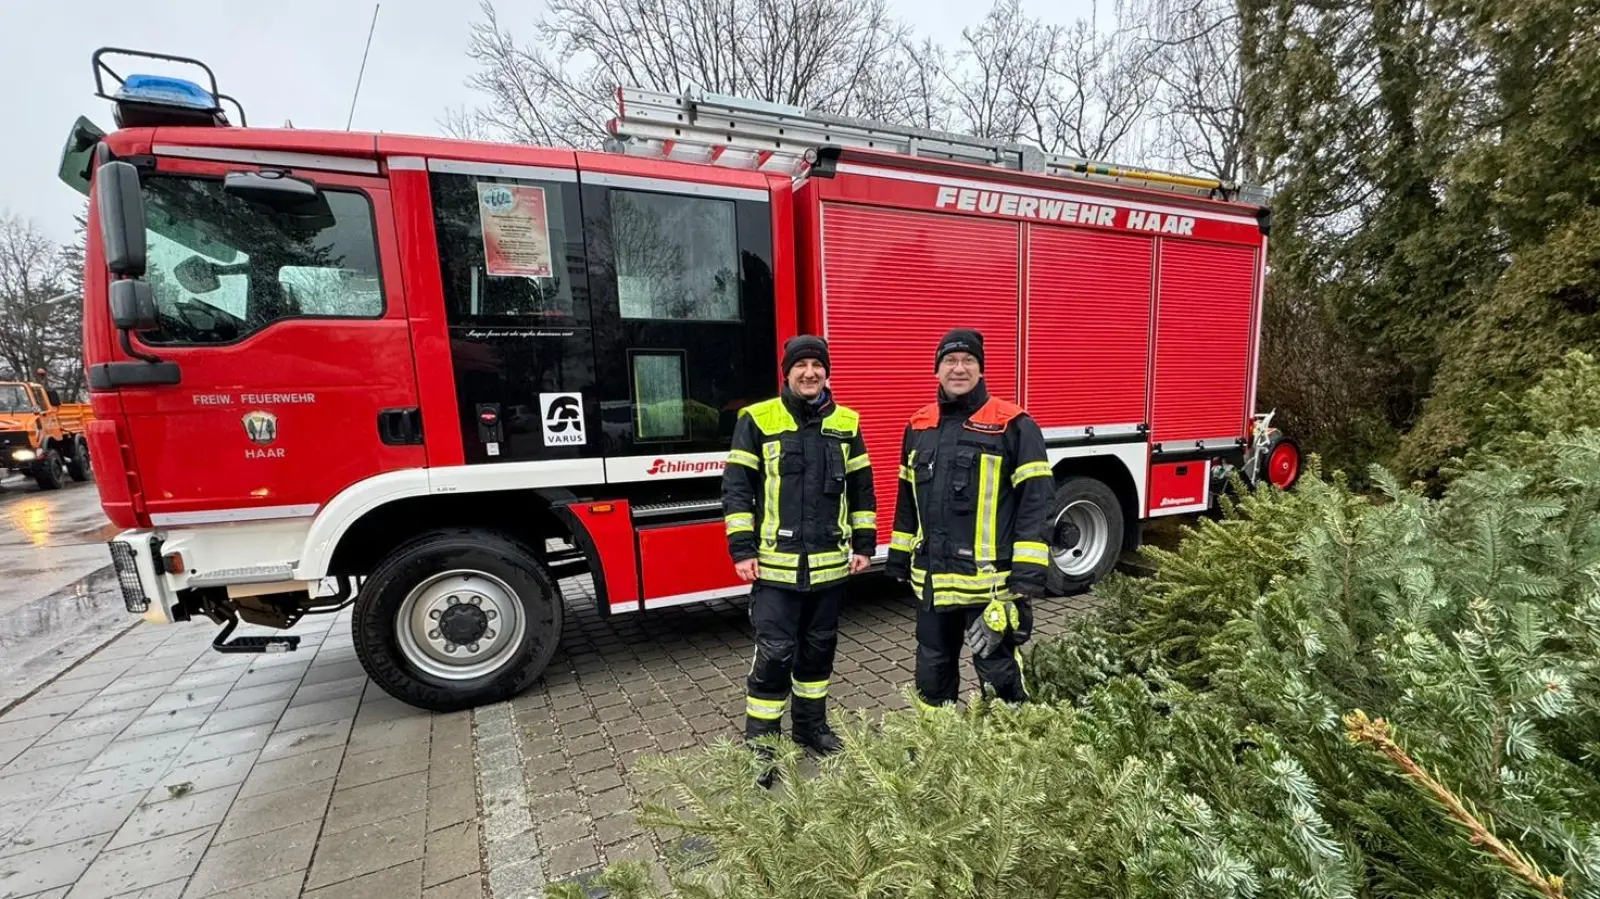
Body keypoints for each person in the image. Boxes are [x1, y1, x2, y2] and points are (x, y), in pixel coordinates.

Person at [721, 334, 876, 773]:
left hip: (829, 569)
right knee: (773, 656)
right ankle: (762, 747)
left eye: (817, 366)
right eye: (801, 366)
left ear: (827, 372)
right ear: (786, 372)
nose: (810, 373)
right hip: (775, 568)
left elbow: (862, 489)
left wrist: (865, 545)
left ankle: (811, 728)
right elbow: (737, 490)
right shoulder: (757, 419)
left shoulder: (847, 423)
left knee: (819, 653)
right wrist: (742, 549)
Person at [885, 328, 1055, 708]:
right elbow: (907, 497)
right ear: (937, 370)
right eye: (950, 361)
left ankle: (1007, 755)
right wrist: (898, 557)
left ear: (981, 370)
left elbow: (1037, 501)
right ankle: (936, 752)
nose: (958, 369)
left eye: (968, 361)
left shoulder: (1013, 424)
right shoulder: (918, 426)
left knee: (999, 678)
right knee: (931, 673)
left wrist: (1025, 578)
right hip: (933, 583)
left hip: (991, 589)